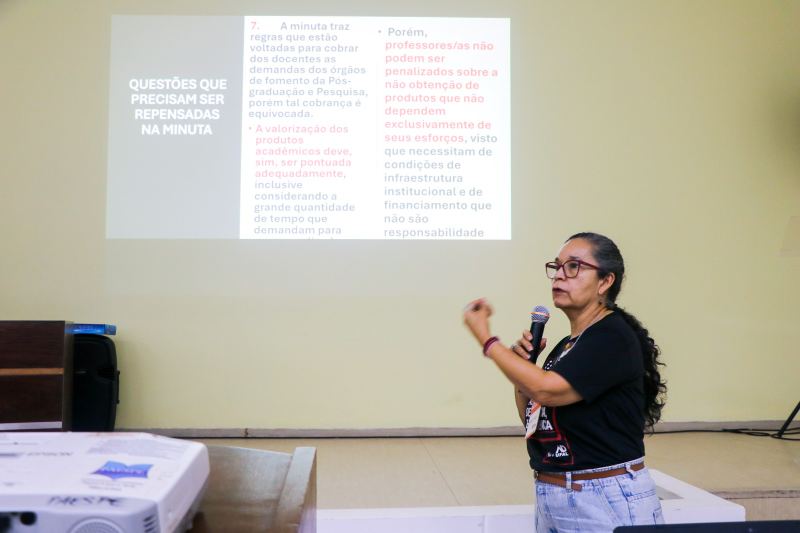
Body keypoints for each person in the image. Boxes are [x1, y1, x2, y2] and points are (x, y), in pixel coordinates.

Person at [463, 232, 667, 532]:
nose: (559, 275)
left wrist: (487, 339)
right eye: (556, 267)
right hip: (556, 494)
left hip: (602, 497)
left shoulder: (611, 337)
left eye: (573, 267)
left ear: (605, 281)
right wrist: (524, 370)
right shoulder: (567, 346)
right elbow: (534, 416)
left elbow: (546, 389)